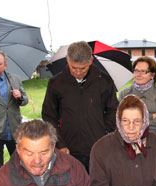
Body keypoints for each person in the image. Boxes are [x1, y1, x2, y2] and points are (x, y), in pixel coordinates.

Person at [42, 41, 119, 172]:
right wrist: (60, 143)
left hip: (98, 148)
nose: (78, 72)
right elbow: (49, 116)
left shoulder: (104, 80)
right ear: (67, 59)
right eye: (73, 67)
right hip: (68, 149)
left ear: (91, 61)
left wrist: (104, 133)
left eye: (82, 68)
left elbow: (114, 110)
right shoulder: (56, 83)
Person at [0, 50, 28, 180]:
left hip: (14, 129)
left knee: (19, 164)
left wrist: (20, 97)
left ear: (5, 65)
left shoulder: (14, 79)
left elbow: (25, 100)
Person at [119, 56, 156, 137]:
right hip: (132, 139)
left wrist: (134, 124)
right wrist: (151, 116)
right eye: (136, 71)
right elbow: (120, 119)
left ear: (152, 75)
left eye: (143, 71)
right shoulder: (124, 94)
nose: (138, 74)